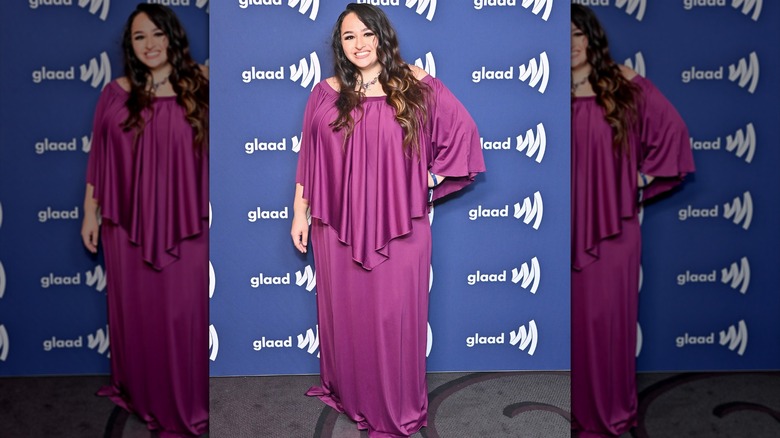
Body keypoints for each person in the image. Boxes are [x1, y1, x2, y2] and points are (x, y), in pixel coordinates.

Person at [290, 3, 485, 437]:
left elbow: (464, 135)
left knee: (394, 319)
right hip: (335, 226)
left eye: (367, 34)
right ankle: (351, 394)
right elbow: (310, 159)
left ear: (382, 36)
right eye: (349, 37)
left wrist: (423, 181)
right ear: (339, 46)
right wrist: (299, 212)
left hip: (401, 226)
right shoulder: (325, 92)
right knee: (347, 316)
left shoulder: (415, 83)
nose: (360, 44)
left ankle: (396, 410)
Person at [80, 4, 209, 437]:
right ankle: (139, 392)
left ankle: (182, 403)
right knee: (138, 315)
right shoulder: (115, 93)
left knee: (179, 316)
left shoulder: (201, 87)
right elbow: (99, 158)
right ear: (130, 46)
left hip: (186, 225)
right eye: (139, 37)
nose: (150, 44)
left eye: (157, 33)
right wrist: (89, 213)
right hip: (126, 228)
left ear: (172, 36)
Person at [569, 5, 695, 437]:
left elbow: (673, 133)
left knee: (608, 324)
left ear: (591, 37)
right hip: (561, 231)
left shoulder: (623, 84)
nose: (570, 45)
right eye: (561, 37)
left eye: (576, 35)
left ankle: (611, 416)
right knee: (570, 327)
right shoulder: (545, 94)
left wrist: (635, 180)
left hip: (613, 230)